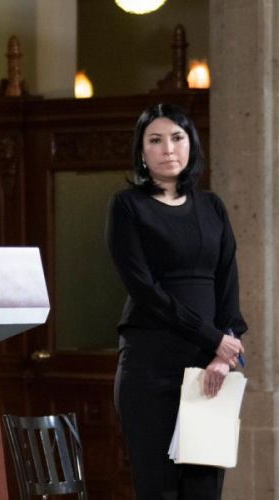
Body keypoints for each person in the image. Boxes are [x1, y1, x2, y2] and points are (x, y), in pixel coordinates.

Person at [106, 103, 247, 499]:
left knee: (204, 490)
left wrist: (224, 351)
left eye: (177, 138)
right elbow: (145, 290)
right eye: (155, 140)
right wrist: (213, 337)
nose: (168, 148)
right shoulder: (127, 207)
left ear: (191, 146)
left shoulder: (212, 207)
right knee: (159, 489)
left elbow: (228, 284)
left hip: (210, 369)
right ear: (141, 152)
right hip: (150, 368)